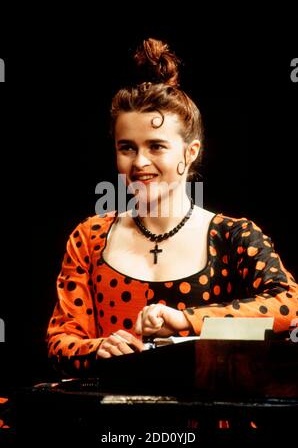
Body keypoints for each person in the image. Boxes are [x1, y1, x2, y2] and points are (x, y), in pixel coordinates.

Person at [46, 38, 298, 369]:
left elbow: (289, 306)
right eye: (127, 147)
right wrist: (98, 348)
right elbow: (61, 341)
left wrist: (185, 320)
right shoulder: (89, 238)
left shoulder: (233, 236)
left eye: (157, 146)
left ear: (190, 152)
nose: (140, 163)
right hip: (112, 417)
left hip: (207, 419)